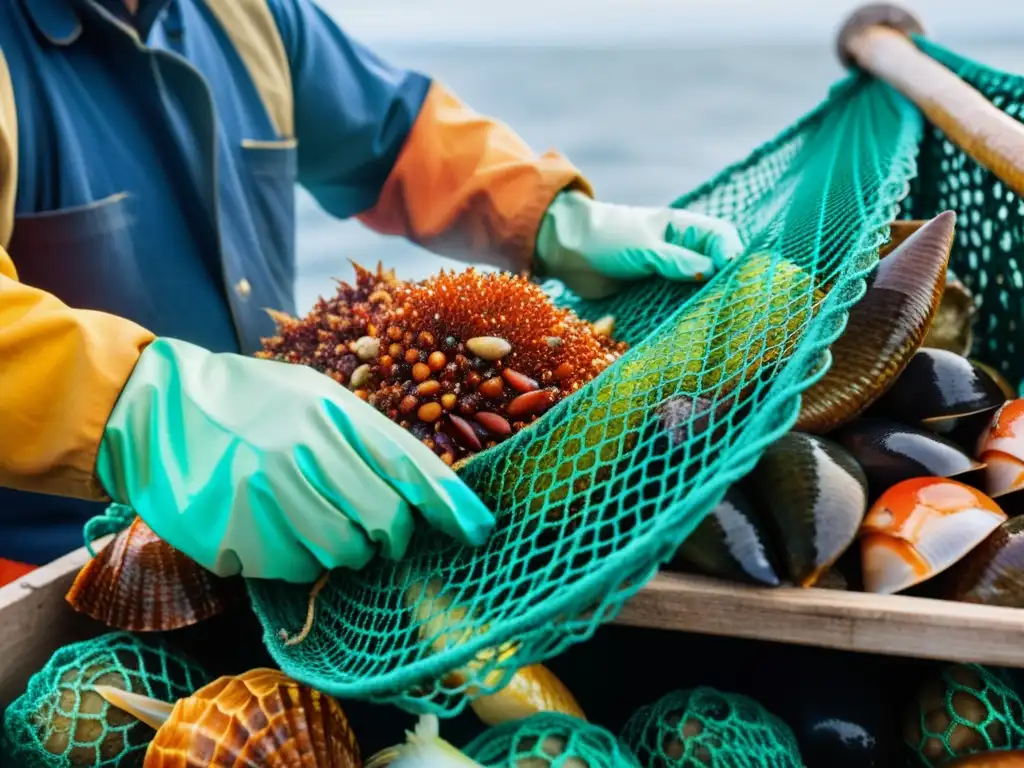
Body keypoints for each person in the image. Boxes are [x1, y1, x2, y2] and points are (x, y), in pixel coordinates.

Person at [0, 0, 744, 587]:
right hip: (47, 566)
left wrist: (549, 216)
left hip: (279, 517)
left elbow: (397, 136)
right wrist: (140, 407)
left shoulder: (248, 14)